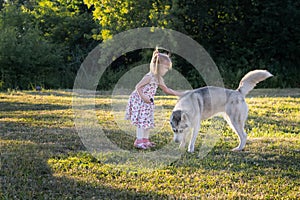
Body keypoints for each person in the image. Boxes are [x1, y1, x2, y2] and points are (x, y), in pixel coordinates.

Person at [125, 48, 184, 149]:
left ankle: (145, 140)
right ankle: (138, 141)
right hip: (140, 100)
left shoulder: (158, 78)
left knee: (147, 120)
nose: (166, 71)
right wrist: (144, 98)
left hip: (148, 102)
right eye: (165, 68)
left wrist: (180, 94)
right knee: (141, 121)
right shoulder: (149, 77)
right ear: (158, 66)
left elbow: (166, 90)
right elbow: (138, 87)